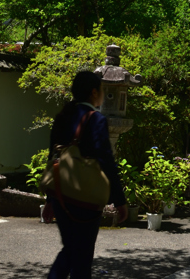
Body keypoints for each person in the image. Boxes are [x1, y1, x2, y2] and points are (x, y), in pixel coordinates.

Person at [47, 71, 127, 279]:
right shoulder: (96, 120)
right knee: (81, 254)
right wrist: (119, 200)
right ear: (94, 92)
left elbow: (53, 158)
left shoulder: (63, 116)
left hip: (59, 193)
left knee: (70, 248)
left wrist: (49, 200)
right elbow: (106, 161)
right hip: (84, 197)